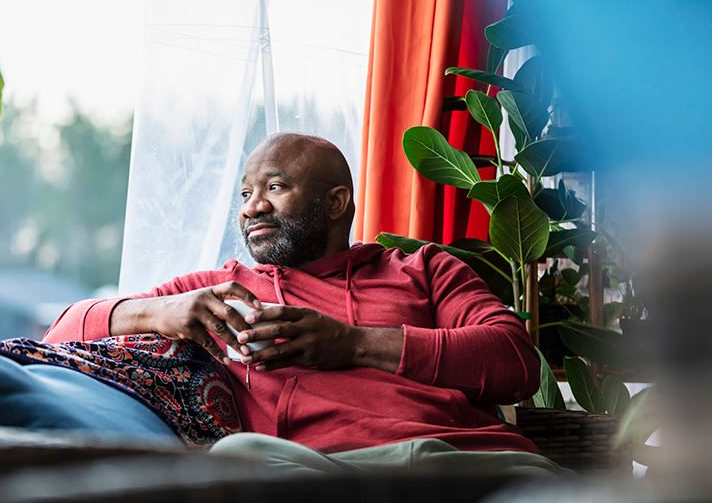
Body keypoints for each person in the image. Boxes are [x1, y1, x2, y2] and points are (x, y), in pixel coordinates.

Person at [41, 132, 561, 476]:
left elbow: (515, 363)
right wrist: (162, 312)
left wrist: (352, 344)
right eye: (245, 194)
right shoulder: (218, 291)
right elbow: (58, 335)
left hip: (470, 459)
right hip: (321, 474)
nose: (252, 208)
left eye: (274, 187)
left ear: (336, 202)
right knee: (238, 456)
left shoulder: (423, 269)